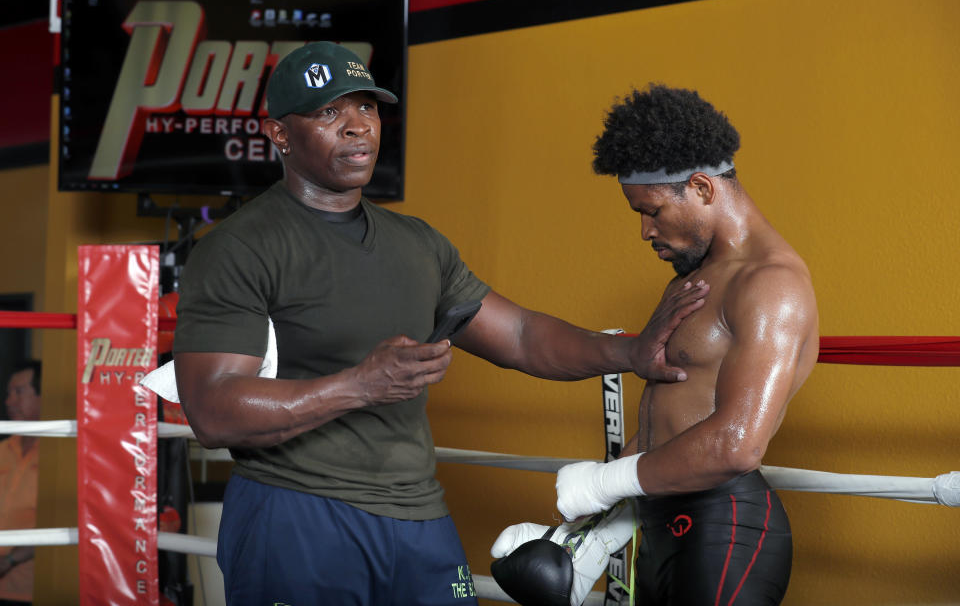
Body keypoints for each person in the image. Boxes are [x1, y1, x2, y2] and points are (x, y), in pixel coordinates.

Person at [172, 44, 710, 605]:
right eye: (330, 113)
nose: (358, 127)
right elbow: (212, 412)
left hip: (417, 518)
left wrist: (629, 353)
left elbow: (522, 335)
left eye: (368, 109)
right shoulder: (239, 248)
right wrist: (359, 385)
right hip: (298, 512)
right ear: (279, 134)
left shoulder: (417, 244)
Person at [491, 84, 819, 606]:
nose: (645, 231)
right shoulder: (695, 274)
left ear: (702, 188)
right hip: (660, 526)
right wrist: (596, 531)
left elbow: (737, 444)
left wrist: (602, 484)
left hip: (725, 529)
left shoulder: (770, 283)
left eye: (654, 211)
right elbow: (667, 420)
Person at [0, 361, 41, 606]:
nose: (9, 401)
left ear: (42, 395)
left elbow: (66, 521)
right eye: (8, 393)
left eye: (19, 392)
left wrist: (10, 560)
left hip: (33, 591)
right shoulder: (2, 450)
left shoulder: (61, 456)